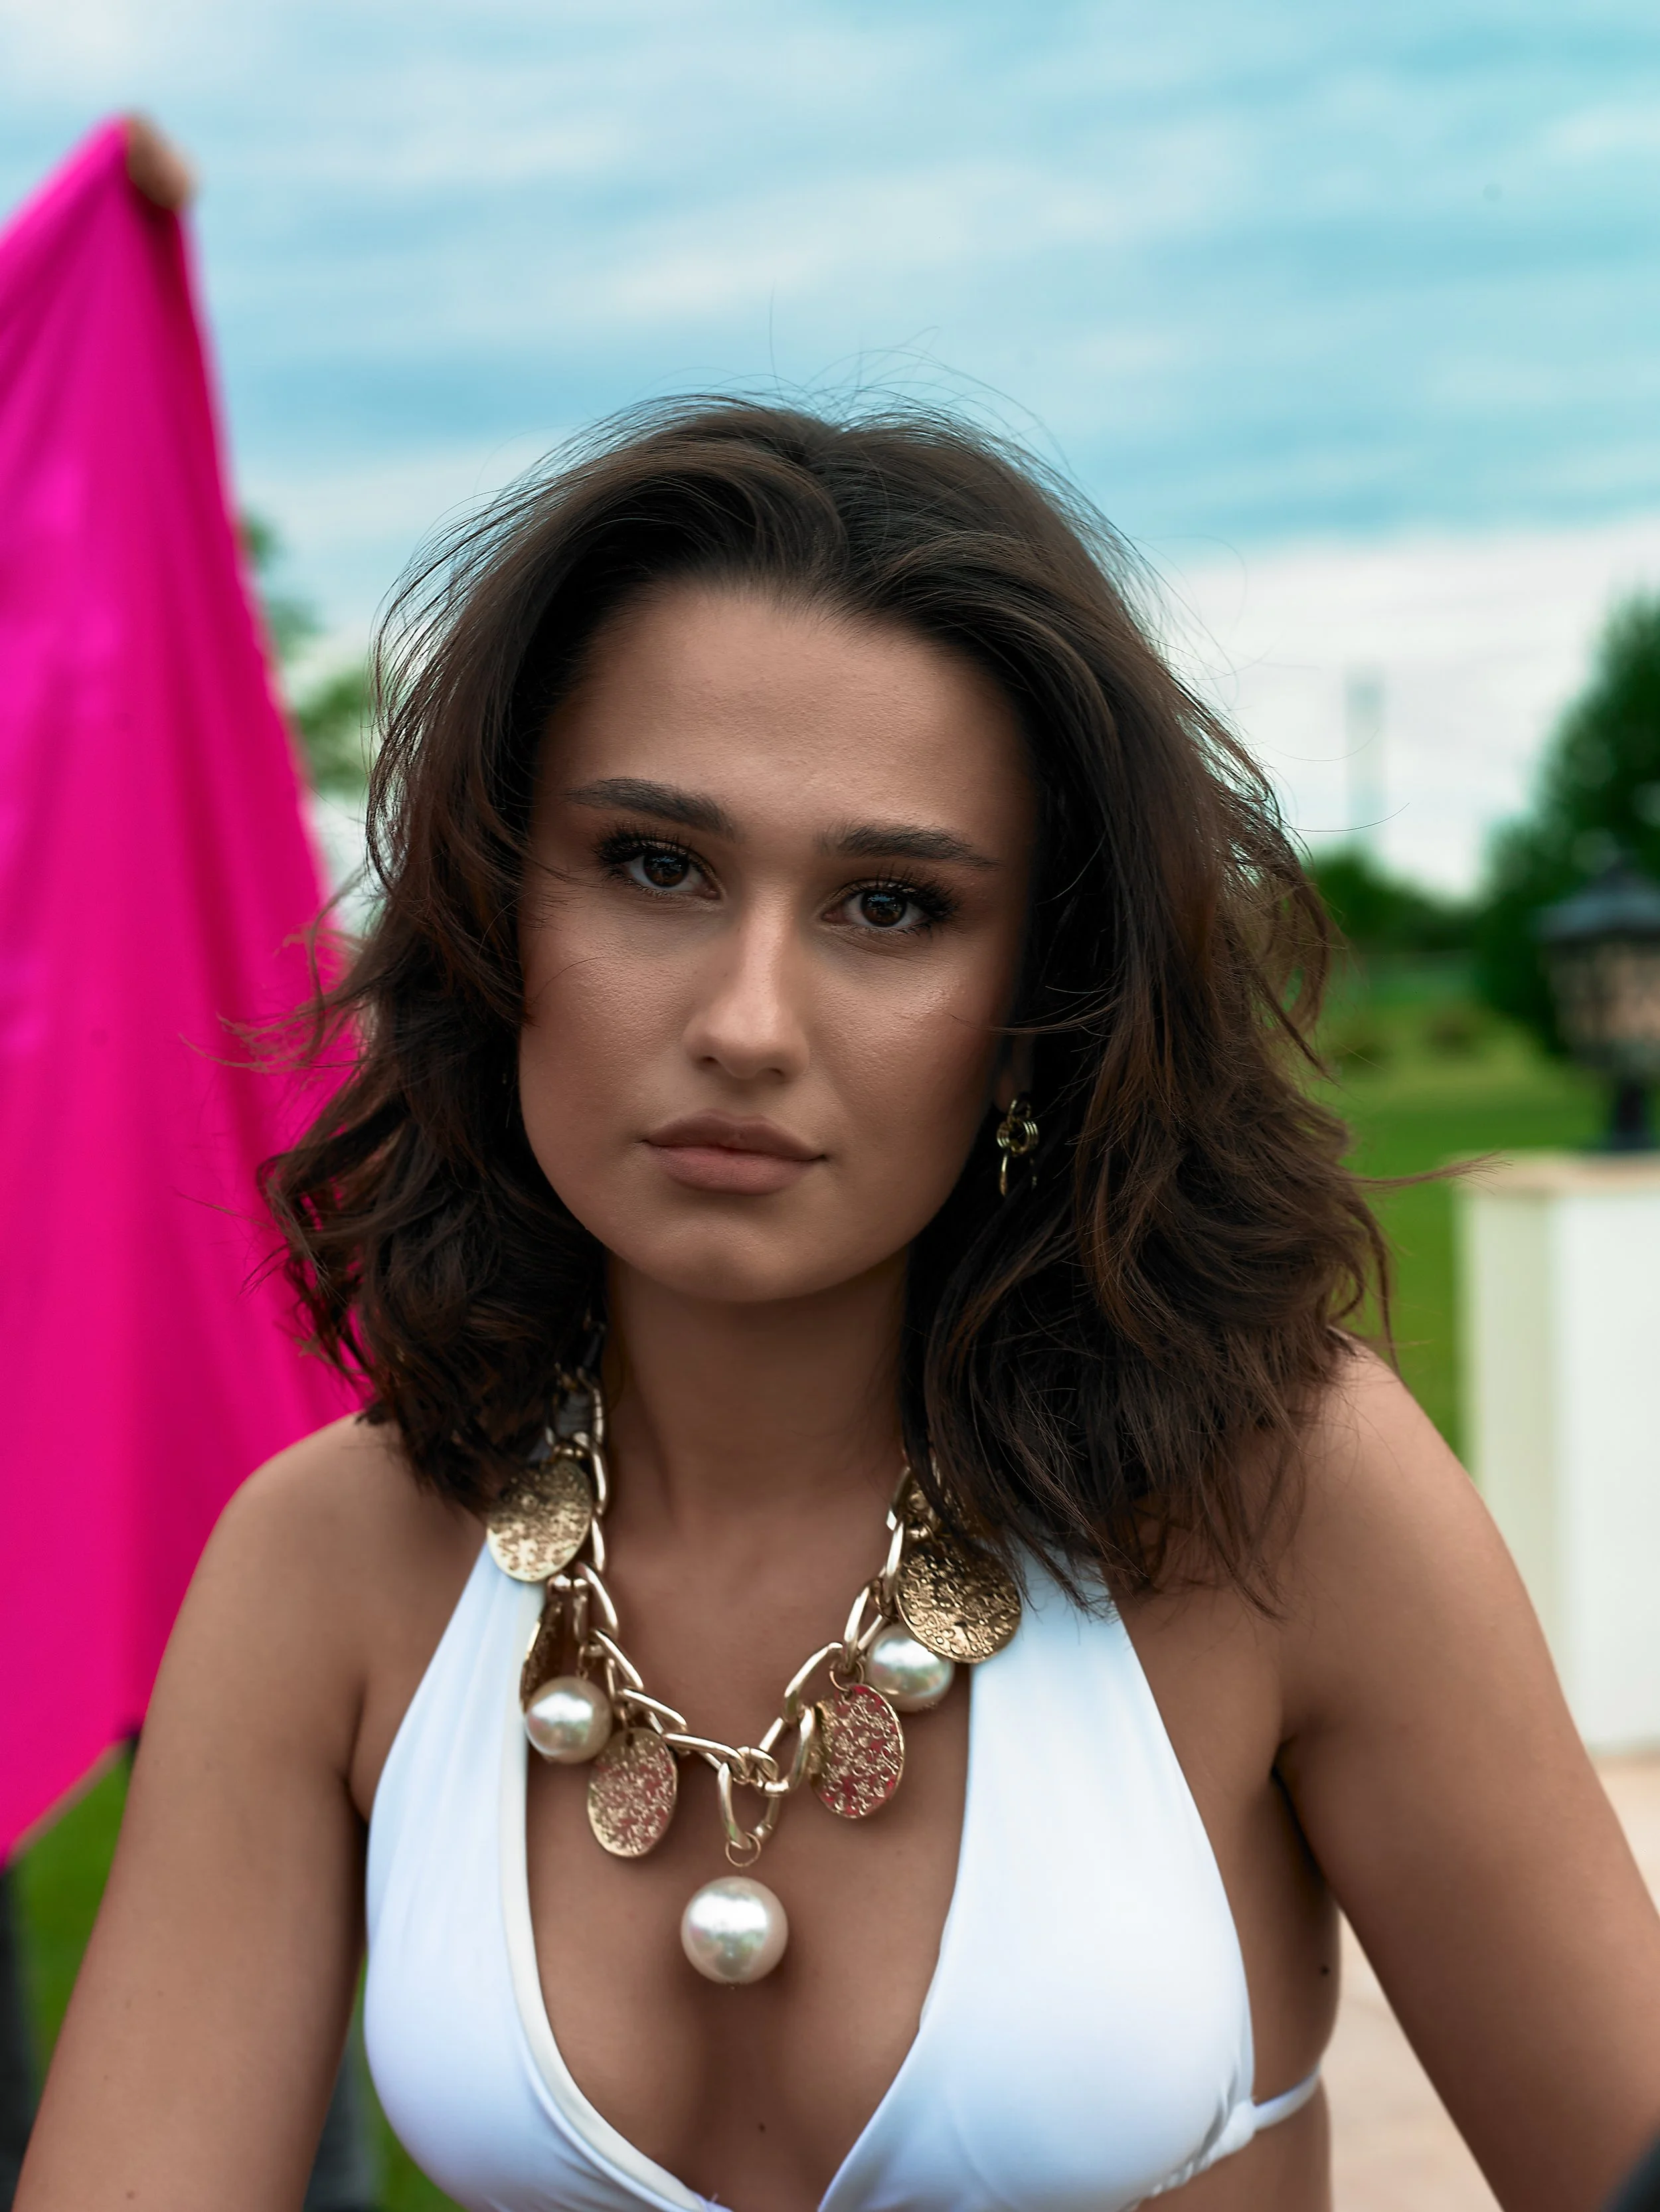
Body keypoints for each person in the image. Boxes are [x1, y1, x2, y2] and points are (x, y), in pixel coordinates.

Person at [15, 400, 1660, 2212]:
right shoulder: (329, 1563)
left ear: (1038, 1004)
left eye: (890, 906)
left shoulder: (1277, 1497)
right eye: (655, 866)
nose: (746, 1022)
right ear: (495, 914)